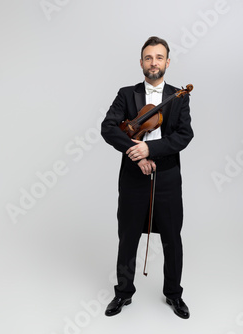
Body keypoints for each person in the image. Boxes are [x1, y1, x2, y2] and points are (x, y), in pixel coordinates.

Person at [101, 36, 194, 319]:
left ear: (167, 61)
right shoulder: (126, 94)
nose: (154, 62)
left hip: (166, 177)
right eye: (148, 57)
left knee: (171, 239)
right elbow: (109, 127)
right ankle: (123, 293)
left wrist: (151, 149)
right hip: (133, 175)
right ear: (141, 62)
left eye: (159, 57)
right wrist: (137, 152)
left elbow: (183, 135)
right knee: (128, 236)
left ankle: (174, 294)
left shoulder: (180, 96)